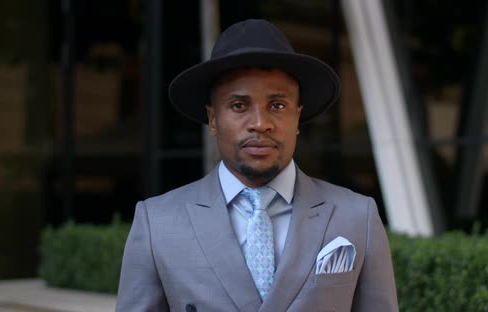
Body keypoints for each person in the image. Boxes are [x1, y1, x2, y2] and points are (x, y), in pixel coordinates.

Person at [116, 19, 398, 312]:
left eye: (277, 105)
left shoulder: (356, 216)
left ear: (297, 117)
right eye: (239, 106)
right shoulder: (157, 223)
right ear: (213, 119)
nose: (261, 124)